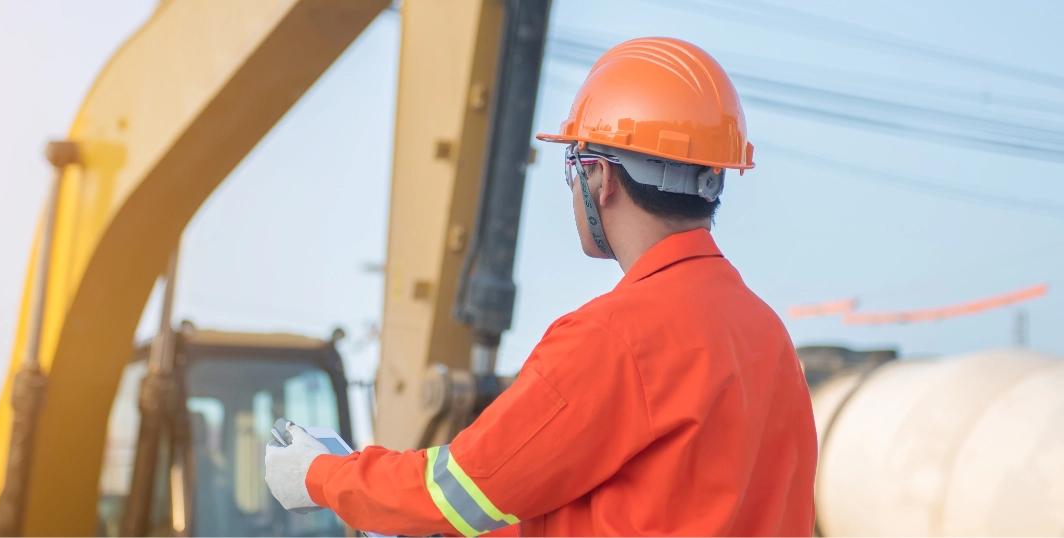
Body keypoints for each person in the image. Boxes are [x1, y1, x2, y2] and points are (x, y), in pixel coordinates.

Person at [264, 37, 817, 538]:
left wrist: (320, 474)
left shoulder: (613, 337)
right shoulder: (769, 340)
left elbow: (458, 491)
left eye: (573, 165)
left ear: (601, 176)